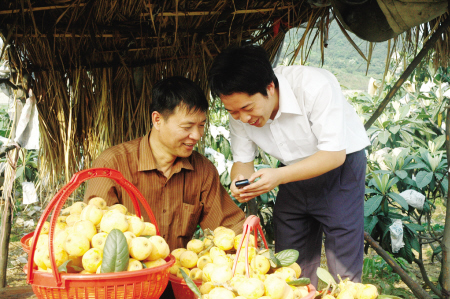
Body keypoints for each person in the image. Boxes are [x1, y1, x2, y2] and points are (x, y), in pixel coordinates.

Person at [208, 45, 370, 286]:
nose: (243, 118)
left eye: (247, 108)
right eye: (233, 112)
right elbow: (243, 162)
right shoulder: (240, 113)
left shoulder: (314, 86)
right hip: (290, 175)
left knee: (343, 266)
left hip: (339, 172)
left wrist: (279, 177)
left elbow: (334, 154)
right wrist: (240, 183)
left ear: (270, 87)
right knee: (290, 265)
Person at [84, 76, 245, 298]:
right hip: (126, 286)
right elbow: (95, 237)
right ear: (157, 120)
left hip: (180, 284)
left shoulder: (203, 170)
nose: (196, 135)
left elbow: (229, 227)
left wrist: (248, 247)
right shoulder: (113, 164)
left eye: (201, 125)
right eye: (187, 126)